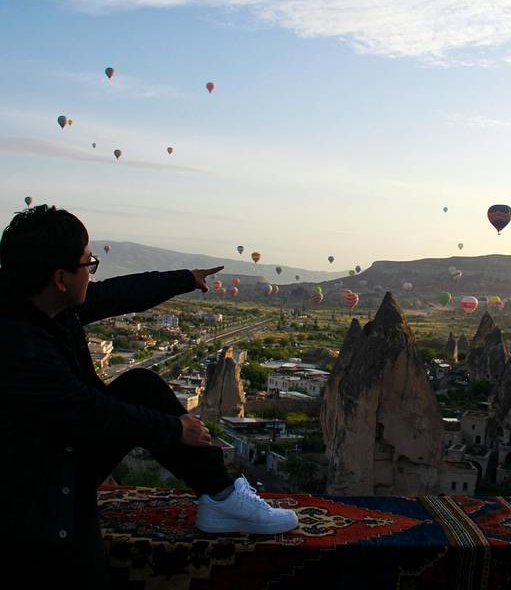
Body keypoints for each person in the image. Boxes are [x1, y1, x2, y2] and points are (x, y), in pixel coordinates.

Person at [0, 205, 298, 589]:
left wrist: (184, 278)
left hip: (60, 448)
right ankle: (222, 498)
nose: (92, 273)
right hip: (37, 486)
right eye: (88, 264)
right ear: (60, 278)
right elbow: (88, 409)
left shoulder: (44, 302)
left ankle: (221, 497)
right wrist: (174, 428)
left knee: (140, 384)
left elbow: (119, 293)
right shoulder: (17, 343)